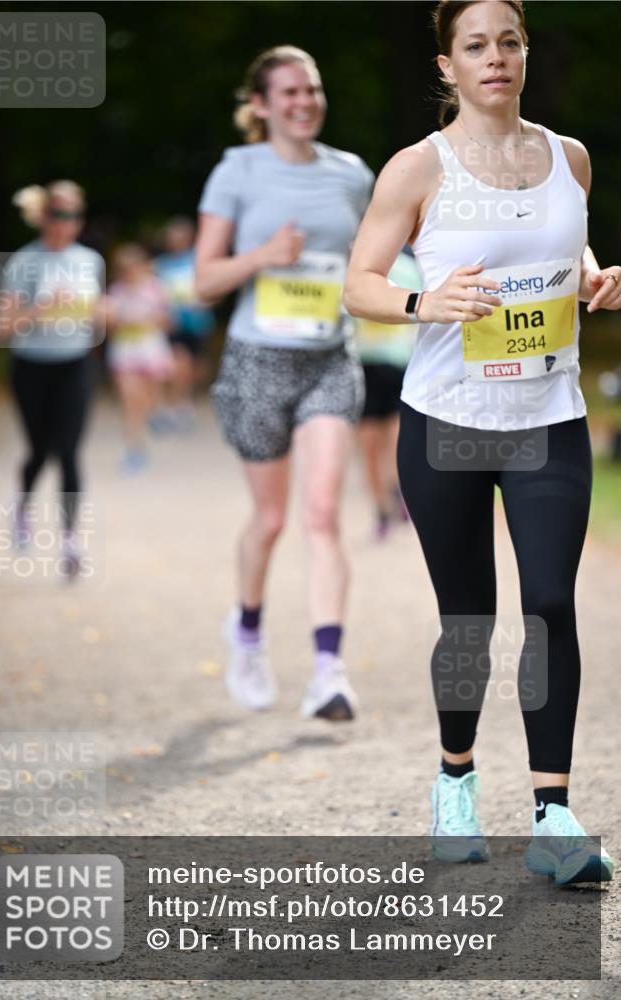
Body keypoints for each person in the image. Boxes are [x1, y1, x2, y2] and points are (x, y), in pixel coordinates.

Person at [344, 0, 619, 882]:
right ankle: (454, 781)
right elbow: (359, 284)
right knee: (467, 616)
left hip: (547, 419)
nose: (494, 57)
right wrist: (426, 303)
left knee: (548, 604)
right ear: (447, 66)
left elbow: (559, 254)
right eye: (475, 45)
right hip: (447, 423)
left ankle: (553, 816)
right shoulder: (415, 170)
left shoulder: (568, 157)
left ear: (524, 53)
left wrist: (590, 279)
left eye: (509, 41)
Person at [196, 45, 374, 721]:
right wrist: (264, 256)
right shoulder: (236, 171)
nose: (303, 102)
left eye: (312, 89)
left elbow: (377, 254)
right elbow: (205, 279)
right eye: (289, 92)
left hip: (329, 358)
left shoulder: (352, 174)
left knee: (322, 513)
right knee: (270, 519)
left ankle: (329, 670)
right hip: (257, 364)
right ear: (262, 105)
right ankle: (245, 634)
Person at [0, 180, 104, 576]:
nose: (66, 222)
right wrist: (43, 307)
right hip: (32, 367)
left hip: (75, 365)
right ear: (44, 216)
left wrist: (105, 313)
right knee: (39, 451)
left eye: (74, 215)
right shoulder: (23, 262)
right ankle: (23, 506)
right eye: (59, 213)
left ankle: (70, 541)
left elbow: (96, 318)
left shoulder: (90, 261)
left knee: (70, 451)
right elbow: (3, 326)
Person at [355, 250, 421, 538]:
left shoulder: (367, 262)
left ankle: (389, 501)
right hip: (380, 362)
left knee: (379, 444)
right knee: (380, 442)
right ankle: (390, 498)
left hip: (383, 361)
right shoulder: (406, 267)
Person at [104, 244, 175, 473]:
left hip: (151, 352)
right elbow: (110, 326)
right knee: (130, 401)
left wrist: (151, 319)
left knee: (145, 400)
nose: (129, 272)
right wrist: (119, 321)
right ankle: (134, 448)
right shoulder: (115, 292)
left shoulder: (156, 289)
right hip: (125, 354)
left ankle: (155, 417)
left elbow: (169, 322)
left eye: (133, 267)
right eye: (124, 268)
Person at [153, 217, 217, 432]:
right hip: (173, 323)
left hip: (198, 323)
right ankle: (175, 406)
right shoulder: (161, 264)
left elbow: (213, 290)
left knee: (195, 368)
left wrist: (206, 300)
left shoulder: (198, 260)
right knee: (178, 365)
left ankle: (186, 403)